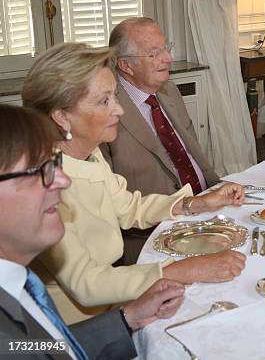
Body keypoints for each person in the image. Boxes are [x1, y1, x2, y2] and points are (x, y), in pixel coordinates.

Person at [21, 43, 247, 324]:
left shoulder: (88, 154)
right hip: (75, 330)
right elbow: (87, 282)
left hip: (117, 304)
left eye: (115, 96)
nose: (119, 110)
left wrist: (196, 203)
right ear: (61, 116)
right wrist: (184, 268)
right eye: (104, 101)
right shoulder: (42, 186)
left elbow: (128, 207)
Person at [0, 104, 185, 360]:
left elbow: (44, 348)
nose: (63, 181)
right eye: (38, 171)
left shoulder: (17, 285)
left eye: (53, 164)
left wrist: (127, 319)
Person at [102, 17, 220, 264]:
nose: (167, 58)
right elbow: (110, 203)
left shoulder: (169, 90)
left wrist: (217, 189)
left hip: (207, 210)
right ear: (126, 65)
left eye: (166, 48)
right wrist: (189, 206)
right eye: (154, 53)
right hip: (154, 232)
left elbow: (192, 155)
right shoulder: (107, 110)